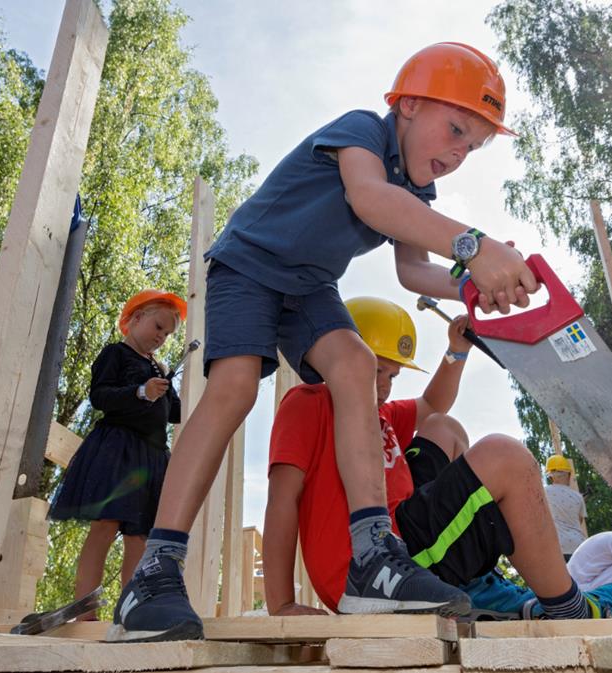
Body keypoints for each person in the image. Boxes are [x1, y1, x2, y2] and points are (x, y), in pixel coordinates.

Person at [109, 41, 539, 644]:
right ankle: (154, 573)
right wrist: (474, 247)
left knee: (355, 364)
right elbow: (370, 199)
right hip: (248, 264)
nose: (458, 152)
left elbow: (413, 273)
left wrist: (475, 288)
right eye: (456, 129)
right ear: (408, 105)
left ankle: (372, 560)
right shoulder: (361, 132)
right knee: (233, 387)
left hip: (308, 286)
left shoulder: (418, 193)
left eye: (471, 146)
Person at [263, 298, 612, 623]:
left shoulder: (379, 415)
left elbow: (432, 405)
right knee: (506, 457)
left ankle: (475, 584)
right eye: (377, 369)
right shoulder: (309, 403)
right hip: (375, 568)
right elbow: (282, 500)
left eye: (392, 375)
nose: (384, 385)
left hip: (405, 535)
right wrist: (280, 603)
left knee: (444, 427)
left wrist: (456, 349)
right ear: (342, 358)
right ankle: (568, 608)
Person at [47, 290, 185, 618]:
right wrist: (140, 391)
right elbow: (100, 396)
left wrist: (166, 387)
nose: (161, 337)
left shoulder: (159, 368)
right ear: (135, 319)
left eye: (167, 334)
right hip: (118, 449)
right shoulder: (116, 354)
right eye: (157, 327)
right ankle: (85, 612)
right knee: (105, 525)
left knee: (139, 536)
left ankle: (130, 611)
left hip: (150, 458)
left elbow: (174, 413)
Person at [543, 455, 587, 561]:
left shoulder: (544, 492)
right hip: (579, 546)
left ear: (550, 475)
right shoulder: (578, 496)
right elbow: (580, 520)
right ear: (569, 474)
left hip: (557, 547)